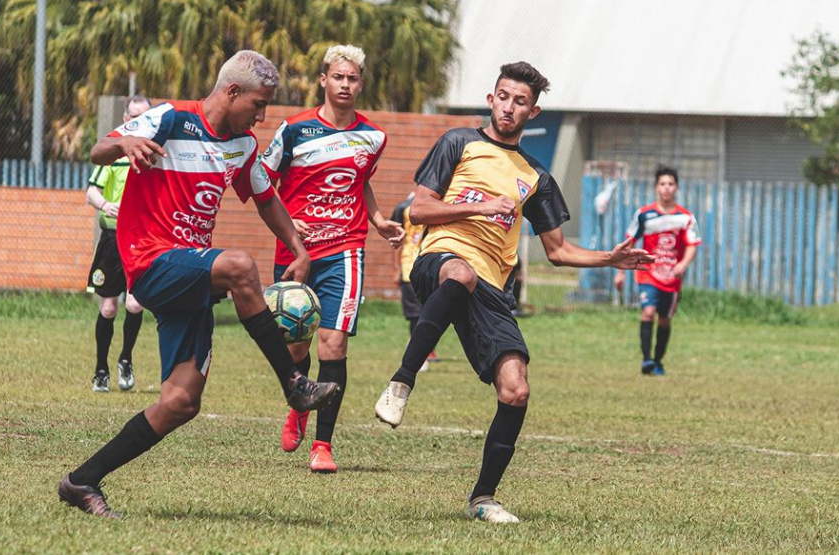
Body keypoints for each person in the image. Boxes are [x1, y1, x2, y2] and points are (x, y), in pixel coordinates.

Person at [58, 50, 339, 519]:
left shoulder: (244, 144)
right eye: (258, 104)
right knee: (240, 266)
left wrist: (300, 248)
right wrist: (125, 145)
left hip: (188, 272)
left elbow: (266, 199)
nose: (262, 115)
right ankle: (292, 383)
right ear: (231, 92)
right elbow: (98, 151)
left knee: (181, 401)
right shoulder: (170, 118)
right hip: (150, 261)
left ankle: (82, 480)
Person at [372, 61, 653, 523]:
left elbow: (558, 251)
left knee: (516, 389)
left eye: (519, 101)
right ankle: (402, 382)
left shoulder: (536, 175)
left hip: (493, 287)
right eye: (503, 96)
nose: (509, 107)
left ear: (533, 111)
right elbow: (419, 211)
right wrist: (481, 205)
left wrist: (610, 258)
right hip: (441, 260)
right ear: (490, 99)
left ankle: (483, 498)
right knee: (459, 274)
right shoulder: (458, 142)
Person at [261, 44, 404, 474]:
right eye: (338, 77)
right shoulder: (294, 130)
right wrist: (290, 225)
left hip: (346, 249)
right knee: (296, 347)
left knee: (334, 345)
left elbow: (360, 184)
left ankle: (323, 445)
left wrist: (377, 220)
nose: (345, 85)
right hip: (294, 253)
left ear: (361, 84)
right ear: (323, 80)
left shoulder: (373, 137)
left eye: (353, 78)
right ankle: (299, 402)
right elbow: (262, 184)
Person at [85, 94, 152, 393]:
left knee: (136, 303)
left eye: (145, 117)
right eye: (135, 117)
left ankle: (126, 360)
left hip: (141, 240)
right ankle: (101, 369)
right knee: (109, 308)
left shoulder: (154, 155)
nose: (139, 123)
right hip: (112, 240)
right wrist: (105, 204)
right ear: (126, 120)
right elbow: (91, 192)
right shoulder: (112, 153)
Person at [614, 165, 701, 376]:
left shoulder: (686, 217)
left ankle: (658, 360)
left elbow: (692, 244)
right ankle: (646, 361)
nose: (666, 188)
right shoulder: (644, 215)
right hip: (648, 273)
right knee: (648, 311)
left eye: (671, 184)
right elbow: (629, 241)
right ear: (656, 187)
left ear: (677, 188)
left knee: (664, 319)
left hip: (671, 278)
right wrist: (620, 272)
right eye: (662, 184)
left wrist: (683, 264)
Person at [391, 191, 438, 372]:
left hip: (430, 266)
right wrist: (396, 269)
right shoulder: (403, 208)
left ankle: (423, 349)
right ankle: (418, 354)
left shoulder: (439, 206)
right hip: (409, 266)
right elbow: (397, 241)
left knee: (431, 312)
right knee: (415, 315)